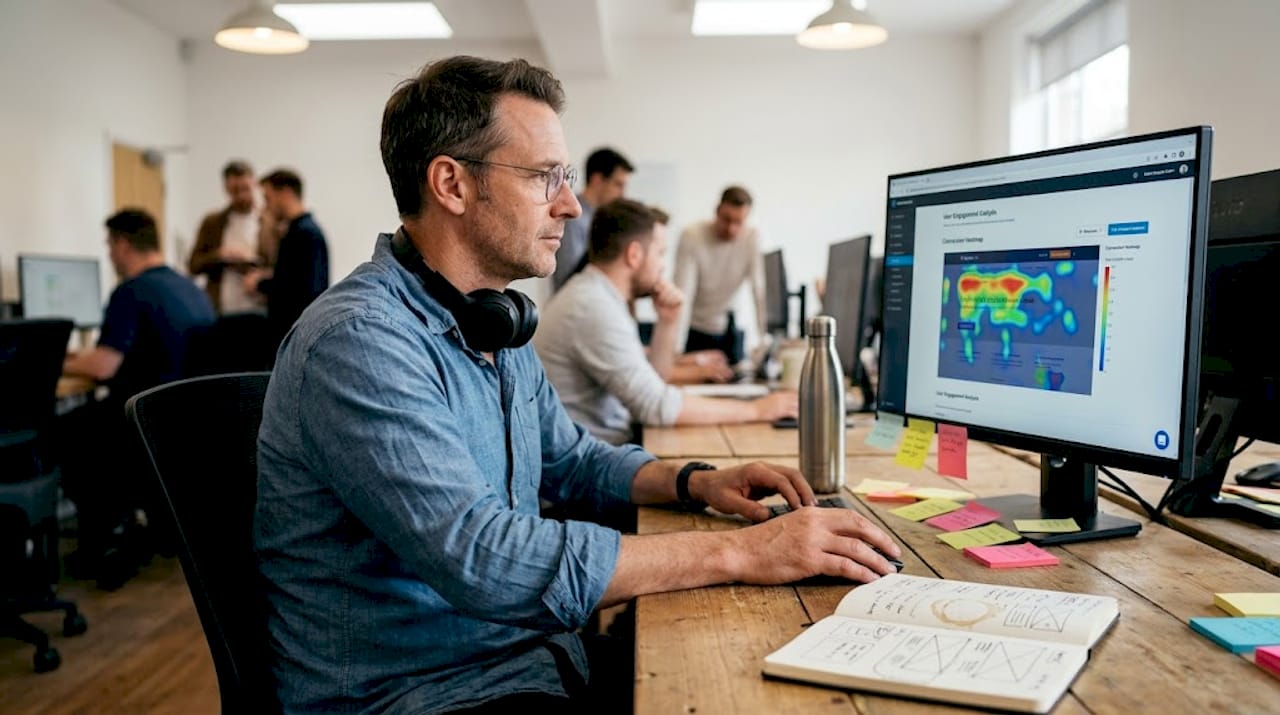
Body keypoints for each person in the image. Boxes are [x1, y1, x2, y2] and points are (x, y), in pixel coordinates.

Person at [255, 55, 900, 715]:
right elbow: (483, 557)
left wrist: (695, 481)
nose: (570, 204)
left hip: (527, 657)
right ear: (451, 183)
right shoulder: (361, 342)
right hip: (421, 694)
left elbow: (574, 460)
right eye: (545, 177)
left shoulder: (492, 323)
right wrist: (740, 551)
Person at [535, 198, 798, 446]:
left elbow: (656, 380)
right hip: (593, 461)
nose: (662, 266)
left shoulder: (599, 297)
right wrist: (757, 410)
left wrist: (668, 322)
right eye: (660, 253)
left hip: (605, 447)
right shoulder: (592, 307)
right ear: (634, 255)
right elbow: (656, 406)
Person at [61, 208, 216, 587]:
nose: (110, 256)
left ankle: (101, 541)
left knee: (65, 429)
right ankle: (137, 523)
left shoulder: (130, 291)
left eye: (110, 246)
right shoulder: (191, 290)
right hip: (183, 423)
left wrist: (57, 360)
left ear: (123, 244)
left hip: (138, 423)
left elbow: (104, 366)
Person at [673, 185, 766, 362]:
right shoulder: (692, 236)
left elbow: (759, 290)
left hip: (731, 332)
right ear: (717, 210)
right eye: (726, 219)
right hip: (696, 331)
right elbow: (683, 292)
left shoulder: (752, 238)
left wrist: (763, 342)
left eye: (738, 222)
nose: (731, 229)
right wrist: (675, 349)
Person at [243, 168, 330, 351]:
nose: (266, 206)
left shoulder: (304, 233)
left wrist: (260, 283)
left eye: (268, 198)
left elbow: (301, 290)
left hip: (296, 336)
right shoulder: (298, 231)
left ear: (285, 193)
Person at [188, 160, 277, 314]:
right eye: (235, 191)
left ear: (254, 184)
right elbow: (193, 265)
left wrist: (256, 266)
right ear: (226, 189)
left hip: (259, 309)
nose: (241, 196)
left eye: (245, 189)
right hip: (221, 309)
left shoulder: (271, 223)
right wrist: (219, 255)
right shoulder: (212, 223)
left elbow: (282, 269)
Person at [550, 146, 633, 291]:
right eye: (618, 184)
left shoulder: (603, 220)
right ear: (597, 180)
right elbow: (567, 278)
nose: (622, 194)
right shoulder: (572, 219)